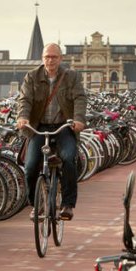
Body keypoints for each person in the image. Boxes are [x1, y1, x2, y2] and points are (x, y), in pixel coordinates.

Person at [16, 43, 87, 221]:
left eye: (54, 57)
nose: (50, 60)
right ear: (42, 58)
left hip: (64, 126)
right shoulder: (32, 77)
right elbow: (25, 99)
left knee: (69, 159)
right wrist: (23, 117)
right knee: (30, 166)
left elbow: (79, 98)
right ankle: (36, 205)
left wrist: (78, 119)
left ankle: (68, 205)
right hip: (39, 128)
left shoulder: (71, 76)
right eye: (47, 57)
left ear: (60, 58)